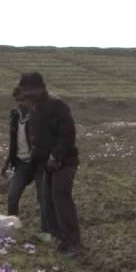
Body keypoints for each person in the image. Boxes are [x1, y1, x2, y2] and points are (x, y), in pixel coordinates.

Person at [17, 72, 81, 256]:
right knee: (47, 200)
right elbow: (36, 138)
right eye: (23, 91)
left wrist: (56, 156)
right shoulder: (35, 106)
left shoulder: (57, 105)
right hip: (45, 163)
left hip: (63, 162)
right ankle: (59, 238)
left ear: (39, 88)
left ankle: (73, 242)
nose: (25, 95)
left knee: (61, 197)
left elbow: (67, 135)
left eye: (28, 91)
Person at [1, 87, 54, 235]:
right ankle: (13, 228)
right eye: (17, 100)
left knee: (43, 198)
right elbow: (13, 141)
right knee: (12, 196)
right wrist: (7, 162)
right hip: (21, 164)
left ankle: (47, 232)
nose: (20, 103)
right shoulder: (15, 116)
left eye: (23, 100)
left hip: (39, 164)